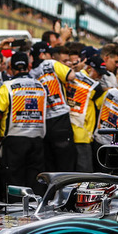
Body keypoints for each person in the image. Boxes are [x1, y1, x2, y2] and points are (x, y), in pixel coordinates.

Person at [0, 52, 47, 192]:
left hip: (14, 141)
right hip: (37, 140)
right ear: (29, 66)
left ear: (11, 68)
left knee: (14, 183)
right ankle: (36, 211)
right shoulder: (40, 86)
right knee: (36, 183)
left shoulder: (7, 86)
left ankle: (15, 211)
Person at [29, 41, 76, 172]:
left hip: (44, 122)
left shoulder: (31, 74)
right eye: (49, 53)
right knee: (66, 163)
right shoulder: (51, 63)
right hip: (60, 118)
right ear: (43, 55)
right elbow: (71, 75)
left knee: (50, 164)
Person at [67, 53, 107, 172]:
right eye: (98, 73)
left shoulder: (71, 76)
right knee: (85, 176)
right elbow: (103, 96)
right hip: (82, 136)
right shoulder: (94, 87)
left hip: (67, 132)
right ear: (89, 68)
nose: (100, 77)